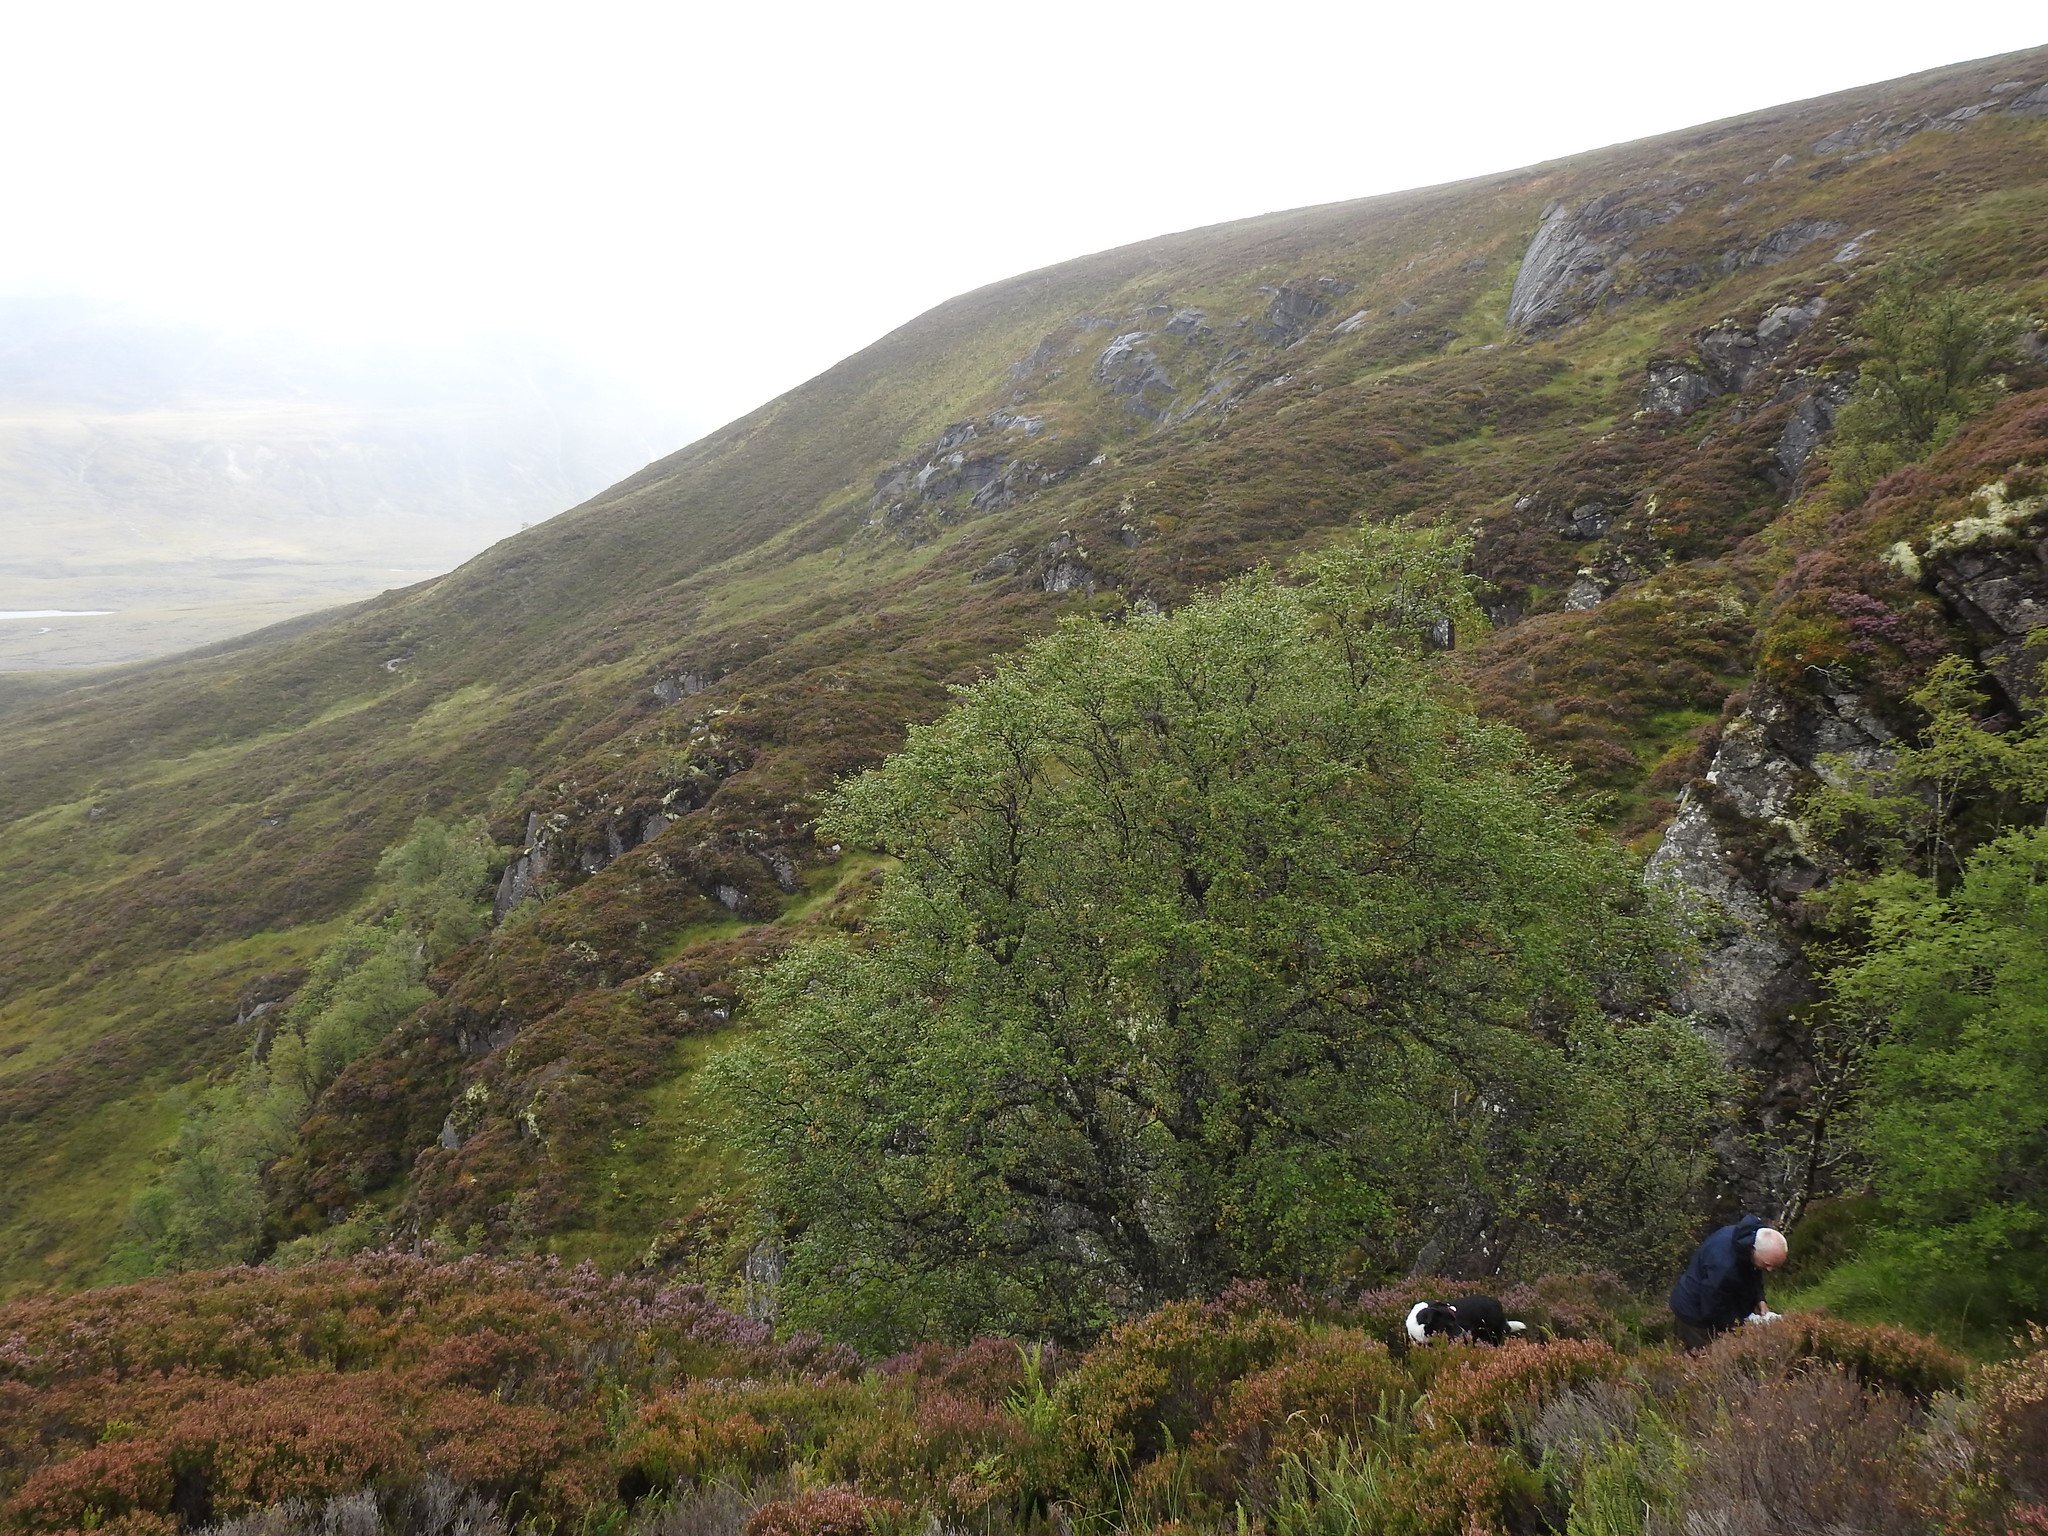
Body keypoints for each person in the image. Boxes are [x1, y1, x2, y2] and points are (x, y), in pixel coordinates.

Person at [1669, 1215, 1788, 1349]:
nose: (1770, 1270)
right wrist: (1742, 1325)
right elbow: (1712, 1309)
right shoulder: (1724, 1267)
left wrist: (1759, 1299)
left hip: (1718, 1299)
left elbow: (1754, 1272)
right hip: (1694, 1314)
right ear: (1754, 1250)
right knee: (1704, 1360)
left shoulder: (1749, 1239)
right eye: (1767, 1264)